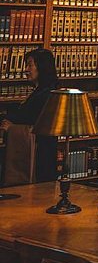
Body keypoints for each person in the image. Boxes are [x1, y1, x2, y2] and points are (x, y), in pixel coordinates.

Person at [0, 48, 59, 182]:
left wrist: (11, 128)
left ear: (42, 67)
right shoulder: (39, 92)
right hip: (33, 153)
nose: (26, 69)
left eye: (30, 65)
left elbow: (36, 126)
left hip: (38, 157)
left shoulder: (46, 95)